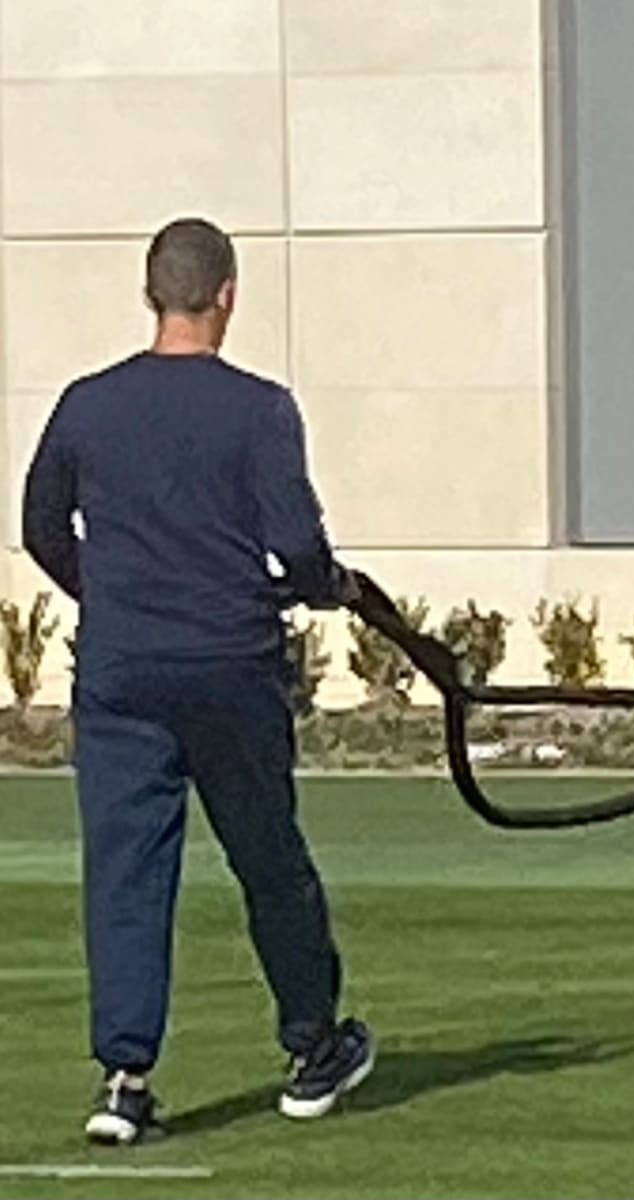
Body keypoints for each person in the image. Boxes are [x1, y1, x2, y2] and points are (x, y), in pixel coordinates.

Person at [23, 218, 375, 1143]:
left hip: (122, 669)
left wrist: (115, 592)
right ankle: (312, 1046)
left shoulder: (85, 406)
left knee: (126, 874)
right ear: (227, 294)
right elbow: (296, 545)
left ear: (153, 295)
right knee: (268, 858)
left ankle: (124, 1078)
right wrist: (320, 587)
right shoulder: (259, 409)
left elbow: (41, 526)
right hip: (229, 664)